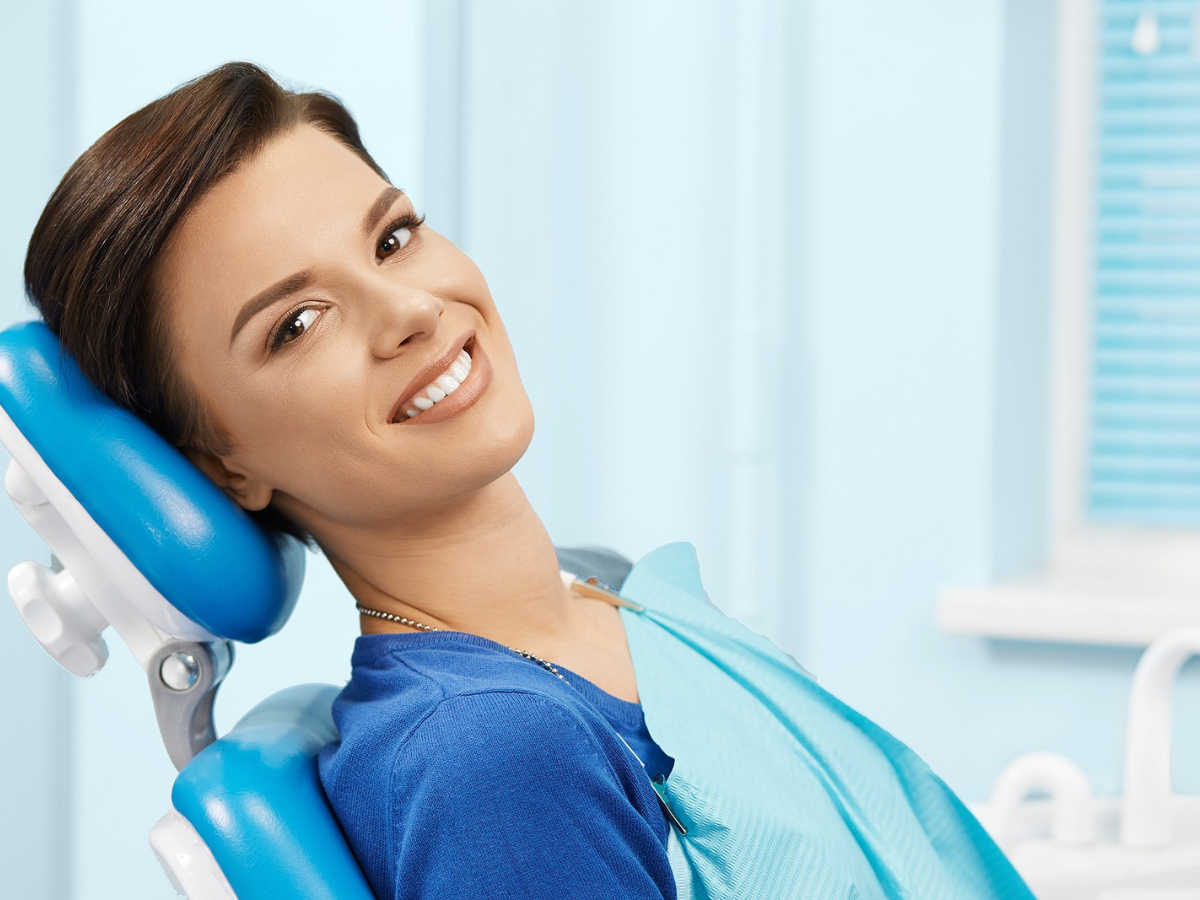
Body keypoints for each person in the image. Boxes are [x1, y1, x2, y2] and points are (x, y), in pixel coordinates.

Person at [23, 62, 1035, 900]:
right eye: (296, 324)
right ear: (221, 463)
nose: (412, 310)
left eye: (392, 236)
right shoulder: (491, 760)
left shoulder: (609, 597)